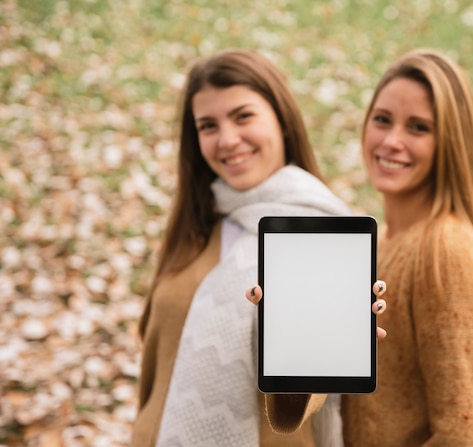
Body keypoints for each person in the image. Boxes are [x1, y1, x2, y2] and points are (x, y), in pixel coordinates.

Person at [131, 49, 387, 447]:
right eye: (208, 125)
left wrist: (316, 357)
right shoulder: (200, 222)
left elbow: (311, 395)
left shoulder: (318, 230)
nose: (228, 139)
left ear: (282, 120)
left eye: (243, 116)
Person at [248, 48, 473, 446]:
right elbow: (338, 387)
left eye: (418, 128)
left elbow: (462, 435)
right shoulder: (380, 241)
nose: (391, 141)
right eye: (382, 120)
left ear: (450, 141)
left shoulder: (445, 252)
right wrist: (288, 327)